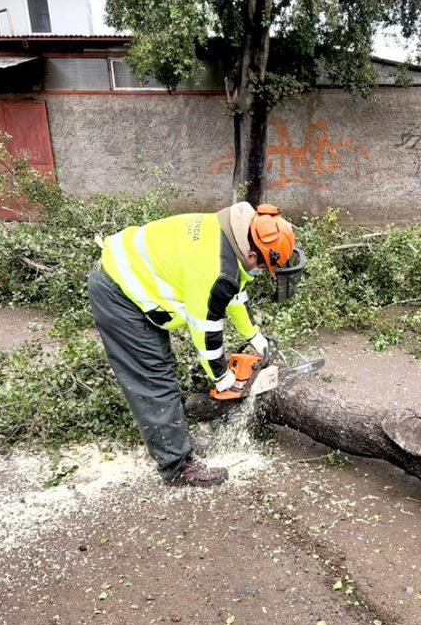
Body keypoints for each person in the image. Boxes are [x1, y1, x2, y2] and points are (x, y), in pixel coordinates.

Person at [87, 202, 295, 487]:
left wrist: (255, 339)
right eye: (262, 265)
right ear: (251, 253)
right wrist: (223, 379)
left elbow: (233, 295)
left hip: (131, 274)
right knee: (154, 375)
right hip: (120, 292)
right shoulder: (215, 269)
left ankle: (172, 439)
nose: (260, 270)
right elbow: (206, 331)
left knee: (161, 365)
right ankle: (177, 466)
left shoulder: (229, 235)